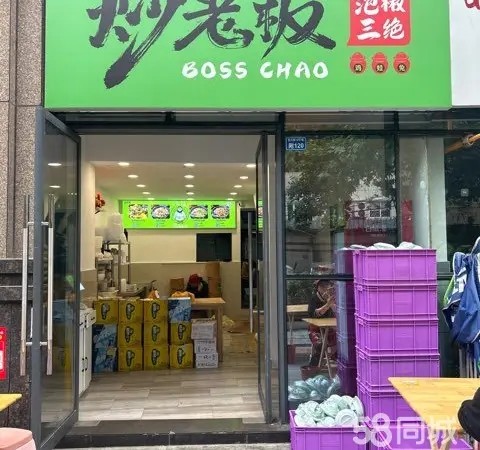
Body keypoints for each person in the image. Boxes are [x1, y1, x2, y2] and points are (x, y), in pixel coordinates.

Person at [307, 279, 337, 367]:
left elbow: (338, 312)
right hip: (316, 329)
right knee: (320, 344)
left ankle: (334, 360)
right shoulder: (313, 299)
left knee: (342, 342)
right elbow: (315, 314)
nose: (325, 288)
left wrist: (332, 304)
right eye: (322, 286)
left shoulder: (333, 298)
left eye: (327, 285)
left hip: (330, 329)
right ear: (318, 288)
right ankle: (314, 366)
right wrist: (327, 305)